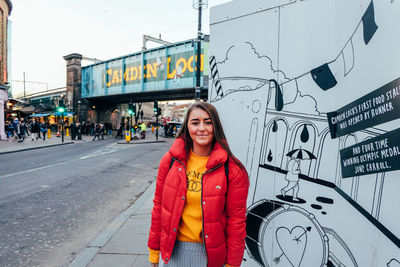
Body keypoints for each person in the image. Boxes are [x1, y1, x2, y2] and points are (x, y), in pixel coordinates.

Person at [148, 102, 249, 267]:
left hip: (210, 256)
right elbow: (159, 207)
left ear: (215, 126)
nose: (201, 128)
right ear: (187, 126)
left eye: (208, 122)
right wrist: (154, 251)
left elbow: (236, 221)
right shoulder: (170, 161)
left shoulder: (232, 169)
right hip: (172, 251)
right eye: (195, 122)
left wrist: (232, 264)